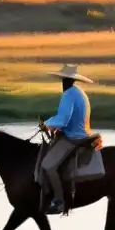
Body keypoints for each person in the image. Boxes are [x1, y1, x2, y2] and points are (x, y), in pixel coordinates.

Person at [39, 64, 95, 215]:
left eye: (64, 80)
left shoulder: (68, 95)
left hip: (74, 137)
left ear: (67, 80)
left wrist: (46, 125)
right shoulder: (79, 92)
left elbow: (63, 119)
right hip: (82, 134)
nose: (62, 83)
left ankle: (59, 201)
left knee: (47, 165)